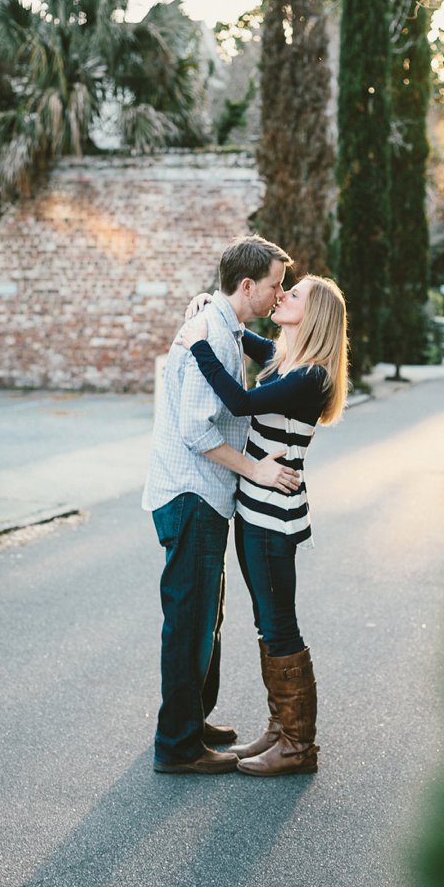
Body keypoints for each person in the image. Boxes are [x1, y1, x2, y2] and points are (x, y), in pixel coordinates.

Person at [174, 274, 349, 777]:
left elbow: (241, 402)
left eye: (293, 295)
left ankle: (298, 745)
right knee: (266, 622)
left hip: (273, 518)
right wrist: (214, 308)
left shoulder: (311, 376)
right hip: (255, 509)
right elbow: (243, 337)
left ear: (312, 315)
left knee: (279, 624)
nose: (282, 294)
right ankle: (280, 729)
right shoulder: (286, 359)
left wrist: (198, 346)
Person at [143, 234, 297, 775]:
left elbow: (275, 354)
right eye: (276, 285)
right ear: (248, 284)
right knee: (189, 620)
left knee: (206, 616)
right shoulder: (209, 329)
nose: (281, 295)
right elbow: (194, 431)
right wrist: (256, 468)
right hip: (191, 494)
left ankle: (192, 718)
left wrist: (208, 299)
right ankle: (178, 747)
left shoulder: (226, 324)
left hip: (205, 496)